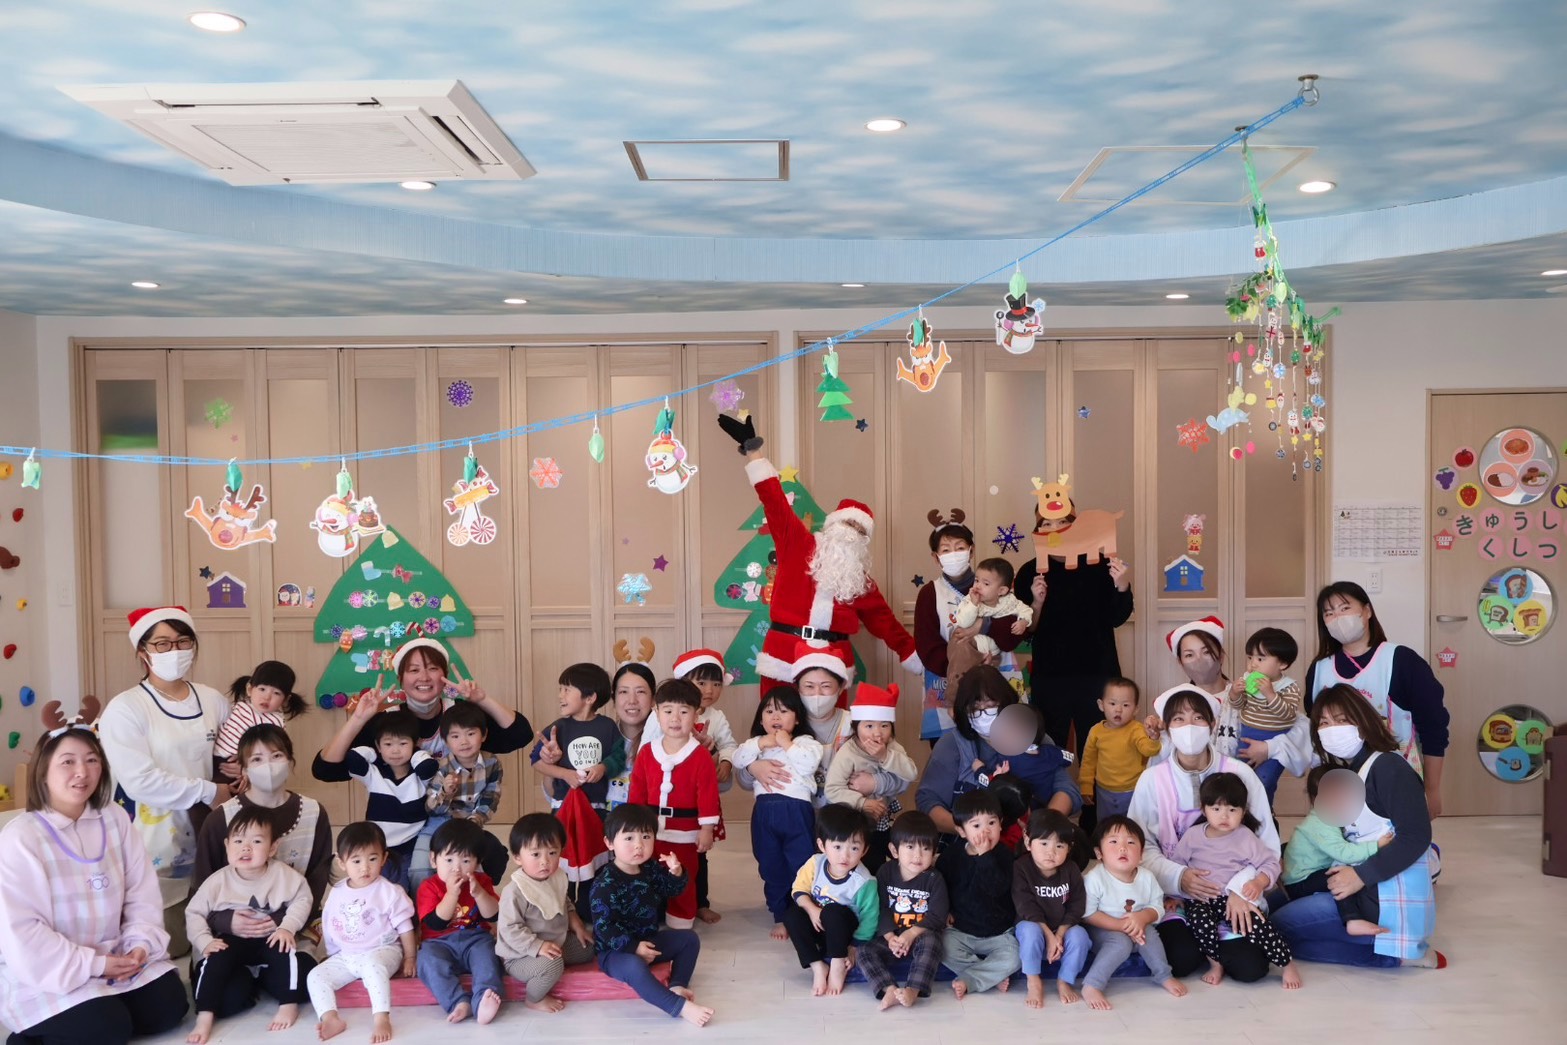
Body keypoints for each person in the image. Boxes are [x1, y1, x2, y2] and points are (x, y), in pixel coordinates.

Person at [0, 724, 188, 1045]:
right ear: (43, 771)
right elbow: (24, 930)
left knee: (169, 1007)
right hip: (51, 966)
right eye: (68, 762)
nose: (82, 772)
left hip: (116, 952)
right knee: (106, 1028)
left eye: (91, 760)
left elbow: (141, 892)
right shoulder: (21, 837)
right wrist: (95, 965)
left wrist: (139, 944)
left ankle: (104, 1008)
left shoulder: (113, 817)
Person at [717, 412, 923, 689]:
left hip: (833, 664)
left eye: (859, 530)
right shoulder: (798, 544)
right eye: (847, 524)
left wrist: (911, 652)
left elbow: (884, 622)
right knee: (777, 717)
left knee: (832, 720)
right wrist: (753, 452)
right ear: (832, 525)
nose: (851, 533)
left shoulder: (859, 581)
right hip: (785, 657)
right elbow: (775, 501)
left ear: (863, 541)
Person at [1270, 685, 1445, 970]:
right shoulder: (1353, 771)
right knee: (1274, 918)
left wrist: (1361, 876)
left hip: (1380, 895)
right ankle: (1373, 944)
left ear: (1363, 721)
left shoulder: (1388, 767)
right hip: (1359, 887)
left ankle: (1392, 955)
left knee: (1276, 928)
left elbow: (1417, 836)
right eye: (1323, 723)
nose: (1331, 730)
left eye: (1341, 720)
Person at [98, 607, 236, 941]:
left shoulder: (212, 699)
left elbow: (235, 750)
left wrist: (240, 767)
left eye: (182, 641)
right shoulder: (126, 708)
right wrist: (209, 791)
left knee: (221, 933)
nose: (174, 650)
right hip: (156, 839)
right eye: (162, 643)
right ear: (142, 651)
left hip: (213, 830)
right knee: (169, 943)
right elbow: (139, 781)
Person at [1128, 689, 1279, 982]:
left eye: (1198, 718)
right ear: (1167, 727)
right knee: (1180, 961)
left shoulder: (1240, 774)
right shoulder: (1152, 779)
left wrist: (1238, 891)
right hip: (1175, 898)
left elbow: (1266, 844)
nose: (1188, 726)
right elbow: (1140, 845)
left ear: (1212, 724)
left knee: (1251, 969)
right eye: (1179, 719)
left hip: (1232, 895)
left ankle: (1222, 938)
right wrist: (1179, 878)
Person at [1305, 581, 1450, 816]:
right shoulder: (1320, 669)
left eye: (1344, 608)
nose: (1337, 618)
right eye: (1329, 613)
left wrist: (1432, 789)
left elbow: (1434, 728)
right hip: (1337, 785)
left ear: (1367, 611)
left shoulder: (1401, 661)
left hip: (1394, 780)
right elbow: (1314, 731)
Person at [1013, 478, 1133, 755]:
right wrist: (1036, 602)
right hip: (1050, 675)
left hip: (1097, 672)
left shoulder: (1100, 565)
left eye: (1063, 521)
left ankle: (1095, 788)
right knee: (1050, 746)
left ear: (1076, 525)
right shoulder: (1030, 572)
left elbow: (1117, 617)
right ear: (1037, 530)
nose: (1055, 528)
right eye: (1046, 523)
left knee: (1099, 747)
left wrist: (1122, 585)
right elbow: (1027, 630)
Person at [191, 724, 332, 950]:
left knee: (300, 972)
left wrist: (283, 921)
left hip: (293, 927)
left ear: (290, 761)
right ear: (244, 769)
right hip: (229, 933)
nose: (268, 766)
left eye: (276, 756)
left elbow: (317, 879)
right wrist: (224, 920)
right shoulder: (221, 818)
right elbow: (202, 885)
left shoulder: (314, 813)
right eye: (257, 759)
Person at [185, 808, 316, 1043]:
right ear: (227, 845)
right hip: (231, 939)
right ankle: (204, 1015)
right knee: (215, 959)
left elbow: (303, 899)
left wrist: (287, 927)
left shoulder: (284, 875)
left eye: (256, 841)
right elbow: (194, 912)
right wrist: (205, 941)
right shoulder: (217, 881)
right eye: (238, 841)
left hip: (270, 936)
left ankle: (288, 1003)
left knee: (287, 952)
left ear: (273, 847)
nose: (246, 848)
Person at [1168, 773, 1301, 989]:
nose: (1224, 816)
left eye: (1232, 810)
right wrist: (1175, 895)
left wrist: (1259, 882)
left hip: (1232, 899)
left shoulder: (1245, 837)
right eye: (1216, 809)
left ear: (1243, 812)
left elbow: (1270, 863)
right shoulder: (1193, 836)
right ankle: (1215, 964)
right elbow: (1177, 867)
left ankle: (1287, 964)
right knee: (1200, 922)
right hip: (1201, 898)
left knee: (1258, 925)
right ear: (1203, 809)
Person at [917, 666, 1079, 838]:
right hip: (968, 843)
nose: (983, 714)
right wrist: (971, 831)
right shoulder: (951, 745)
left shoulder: (1033, 737)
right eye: (975, 708)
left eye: (991, 706)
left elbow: (1066, 789)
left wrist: (1041, 829)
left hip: (1032, 840)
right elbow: (928, 800)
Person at [590, 804, 714, 1026]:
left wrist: (676, 873)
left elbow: (671, 890)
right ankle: (679, 1007)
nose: (639, 845)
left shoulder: (649, 868)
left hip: (648, 941)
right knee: (633, 966)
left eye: (646, 837)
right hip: (616, 952)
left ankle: (677, 986)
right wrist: (633, 948)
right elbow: (605, 928)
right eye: (629, 838)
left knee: (689, 939)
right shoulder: (604, 884)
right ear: (609, 843)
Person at [644, 649, 739, 923]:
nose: (709, 690)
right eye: (701, 682)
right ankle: (660, 906)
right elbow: (646, 751)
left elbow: (730, 745)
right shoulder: (662, 715)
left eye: (716, 683)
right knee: (657, 857)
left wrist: (725, 761)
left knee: (698, 857)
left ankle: (699, 902)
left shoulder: (717, 717)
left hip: (696, 802)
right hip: (662, 802)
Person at [914, 513, 1025, 742]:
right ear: (936, 557)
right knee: (952, 751)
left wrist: (984, 625)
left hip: (997, 677)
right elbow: (927, 647)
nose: (953, 554)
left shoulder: (997, 585)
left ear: (971, 551)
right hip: (948, 681)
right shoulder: (930, 593)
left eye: (960, 547)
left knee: (1003, 748)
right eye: (946, 550)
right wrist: (970, 668)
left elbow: (1011, 636)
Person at [307, 822, 417, 1043]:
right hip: (347, 955)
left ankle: (381, 1018)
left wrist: (410, 957)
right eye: (356, 861)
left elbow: (405, 927)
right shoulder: (337, 892)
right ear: (342, 862)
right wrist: (332, 953)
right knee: (315, 976)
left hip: (383, 951)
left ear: (384, 858)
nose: (365, 868)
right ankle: (330, 1018)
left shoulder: (389, 891)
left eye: (372, 859)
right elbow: (330, 924)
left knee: (372, 967)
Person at [627, 679, 721, 930]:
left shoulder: (700, 755)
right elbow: (637, 790)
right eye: (668, 711)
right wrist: (634, 825)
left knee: (684, 877)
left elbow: (708, 795)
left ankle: (681, 920)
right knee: (647, 874)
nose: (675, 718)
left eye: (684, 711)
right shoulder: (647, 752)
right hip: (650, 831)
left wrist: (707, 829)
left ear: (696, 714)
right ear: (656, 713)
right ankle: (647, 917)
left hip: (686, 833)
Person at [314, 702, 438, 890]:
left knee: (407, 888)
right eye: (388, 744)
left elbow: (429, 767)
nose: (395, 750)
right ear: (379, 746)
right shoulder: (374, 773)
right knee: (379, 888)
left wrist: (416, 754)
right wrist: (372, 753)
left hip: (412, 846)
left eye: (403, 743)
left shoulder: (419, 776)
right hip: (379, 848)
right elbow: (353, 758)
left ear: (414, 744)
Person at [732, 687, 824, 939]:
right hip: (764, 811)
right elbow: (738, 759)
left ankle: (801, 912)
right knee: (770, 864)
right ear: (761, 719)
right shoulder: (756, 745)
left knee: (802, 862)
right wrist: (761, 743)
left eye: (784, 711)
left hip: (797, 811)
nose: (775, 716)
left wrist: (786, 743)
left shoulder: (806, 743)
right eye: (769, 711)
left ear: (797, 718)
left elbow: (808, 764)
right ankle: (781, 914)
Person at [1079, 816, 1187, 1011]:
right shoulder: (1094, 878)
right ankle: (1092, 984)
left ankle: (1163, 975)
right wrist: (1121, 926)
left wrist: (1143, 918)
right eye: (1113, 842)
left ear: (1141, 854)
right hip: (1101, 930)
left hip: (1137, 927)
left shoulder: (1147, 877)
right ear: (1099, 853)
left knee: (1150, 934)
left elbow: (1157, 907)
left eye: (1130, 843)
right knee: (1120, 942)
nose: (1122, 848)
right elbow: (1087, 914)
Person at [496, 814, 596, 1013]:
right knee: (553, 966)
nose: (545, 861)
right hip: (520, 954)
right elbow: (510, 929)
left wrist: (578, 926)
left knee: (589, 947)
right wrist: (538, 946)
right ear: (517, 857)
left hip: (555, 941)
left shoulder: (556, 877)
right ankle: (534, 999)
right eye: (535, 854)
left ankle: (549, 962)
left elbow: (564, 902)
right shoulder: (515, 891)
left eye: (552, 852)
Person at [1281, 765, 1392, 937]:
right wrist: (1376, 845)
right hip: (1299, 883)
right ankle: (1352, 920)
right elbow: (1344, 853)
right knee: (1339, 876)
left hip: (1302, 870)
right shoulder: (1321, 823)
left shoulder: (1329, 817)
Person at [783, 804, 879, 997]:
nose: (845, 855)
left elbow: (870, 918)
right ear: (822, 846)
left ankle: (837, 964)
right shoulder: (815, 863)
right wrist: (812, 910)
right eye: (837, 847)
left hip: (843, 933)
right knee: (792, 914)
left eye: (854, 848)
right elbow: (798, 889)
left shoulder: (864, 882)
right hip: (818, 926)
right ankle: (817, 966)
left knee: (832, 911)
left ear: (864, 850)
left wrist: (854, 947)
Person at [415, 819, 504, 1025]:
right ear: (433, 860)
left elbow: (493, 915)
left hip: (475, 938)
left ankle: (483, 998)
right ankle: (458, 1002)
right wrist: (451, 895)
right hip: (438, 942)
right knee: (427, 961)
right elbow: (436, 923)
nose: (456, 868)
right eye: (448, 860)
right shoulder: (428, 887)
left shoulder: (481, 882)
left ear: (477, 863)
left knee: (488, 955)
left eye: (465, 861)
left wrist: (480, 894)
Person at [824, 681, 919, 874]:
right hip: (854, 820)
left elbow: (911, 773)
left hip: (883, 818)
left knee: (882, 858)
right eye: (868, 726)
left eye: (884, 725)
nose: (877, 733)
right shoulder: (848, 752)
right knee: (858, 862)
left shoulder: (892, 747)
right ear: (856, 727)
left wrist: (885, 756)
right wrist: (862, 803)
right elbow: (832, 789)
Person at [857, 811, 947, 1011]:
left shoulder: (934, 879)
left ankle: (913, 990)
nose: (918, 855)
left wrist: (911, 933)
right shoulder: (885, 872)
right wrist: (890, 937)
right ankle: (889, 989)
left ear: (934, 852)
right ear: (894, 850)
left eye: (926, 848)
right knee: (863, 952)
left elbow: (937, 916)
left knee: (933, 943)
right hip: (893, 937)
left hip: (920, 935)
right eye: (910, 847)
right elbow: (880, 907)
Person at [412, 702, 503, 891]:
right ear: (445, 740)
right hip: (438, 824)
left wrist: (473, 823)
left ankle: (476, 904)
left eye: (470, 734)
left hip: (470, 823)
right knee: (419, 869)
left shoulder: (492, 763)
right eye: (455, 736)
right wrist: (446, 792)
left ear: (483, 735)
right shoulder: (442, 766)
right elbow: (431, 808)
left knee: (484, 864)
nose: (464, 742)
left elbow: (490, 798)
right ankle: (423, 907)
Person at [936, 790, 1019, 999]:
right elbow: (941, 886)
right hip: (962, 930)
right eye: (976, 826)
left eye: (991, 823)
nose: (985, 831)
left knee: (1016, 957)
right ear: (961, 831)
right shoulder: (952, 855)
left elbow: (996, 888)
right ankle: (989, 975)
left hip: (998, 932)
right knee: (942, 946)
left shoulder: (1005, 855)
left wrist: (985, 856)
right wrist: (946, 910)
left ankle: (972, 978)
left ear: (1001, 824)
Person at [1012, 809, 1090, 1009]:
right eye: (1044, 843)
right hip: (1033, 926)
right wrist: (1049, 935)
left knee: (1080, 936)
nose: (1051, 852)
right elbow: (1025, 905)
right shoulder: (1021, 867)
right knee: (1030, 931)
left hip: (1062, 928)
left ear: (1069, 848)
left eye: (1059, 845)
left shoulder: (1071, 869)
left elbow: (1077, 905)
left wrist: (1060, 934)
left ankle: (1064, 980)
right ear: (1028, 842)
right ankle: (1033, 980)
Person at [532, 663, 624, 813]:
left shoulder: (608, 726)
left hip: (597, 809)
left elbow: (619, 757)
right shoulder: (558, 728)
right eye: (560, 690)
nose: (560, 695)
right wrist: (564, 774)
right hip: (563, 806)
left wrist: (603, 767)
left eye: (566, 690)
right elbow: (536, 761)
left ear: (590, 698)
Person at [1228, 627, 1305, 804]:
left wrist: (1270, 694)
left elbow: (1287, 715)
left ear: (1282, 664)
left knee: (1265, 781)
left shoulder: (1289, 687)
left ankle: (1264, 811)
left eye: (1260, 659)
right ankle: (1243, 812)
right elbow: (1238, 706)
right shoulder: (1247, 679)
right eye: (1250, 657)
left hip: (1275, 741)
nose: (1253, 664)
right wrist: (1235, 693)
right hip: (1247, 735)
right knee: (1240, 778)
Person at [1077, 677, 1161, 823]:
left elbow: (1148, 751)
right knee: (1105, 824)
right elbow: (1088, 762)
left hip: (1133, 789)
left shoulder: (1136, 729)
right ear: (1101, 705)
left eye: (1126, 705)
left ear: (1135, 709)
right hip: (1104, 791)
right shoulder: (1096, 731)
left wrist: (1153, 738)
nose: (1118, 709)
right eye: (1112, 703)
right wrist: (1086, 786)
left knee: (1133, 824)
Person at [947, 558, 1032, 689]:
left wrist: (1023, 621)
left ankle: (956, 691)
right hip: (973, 643)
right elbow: (963, 622)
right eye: (976, 580)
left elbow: (1026, 610)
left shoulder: (1010, 601)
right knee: (957, 643)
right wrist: (973, 605)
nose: (978, 586)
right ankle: (960, 685)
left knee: (962, 646)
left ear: (1002, 590)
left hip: (990, 646)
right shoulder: (970, 600)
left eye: (986, 583)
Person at [213, 660, 308, 772]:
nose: (267, 697)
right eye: (262, 689)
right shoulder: (241, 705)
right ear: (249, 689)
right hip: (211, 757)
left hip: (238, 765)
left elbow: (272, 753)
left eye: (276, 693)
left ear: (285, 700)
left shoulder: (274, 722)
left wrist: (246, 768)